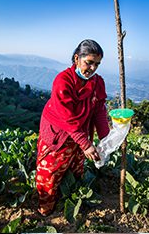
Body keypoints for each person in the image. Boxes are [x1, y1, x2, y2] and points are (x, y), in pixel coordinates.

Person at [35, 39, 110, 216]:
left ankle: (67, 200)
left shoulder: (98, 83)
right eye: (89, 63)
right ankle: (46, 208)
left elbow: (99, 111)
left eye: (97, 64)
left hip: (80, 133)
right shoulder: (63, 81)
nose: (92, 68)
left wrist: (106, 139)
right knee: (50, 173)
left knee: (76, 169)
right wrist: (86, 144)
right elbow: (67, 119)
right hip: (58, 134)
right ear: (77, 58)